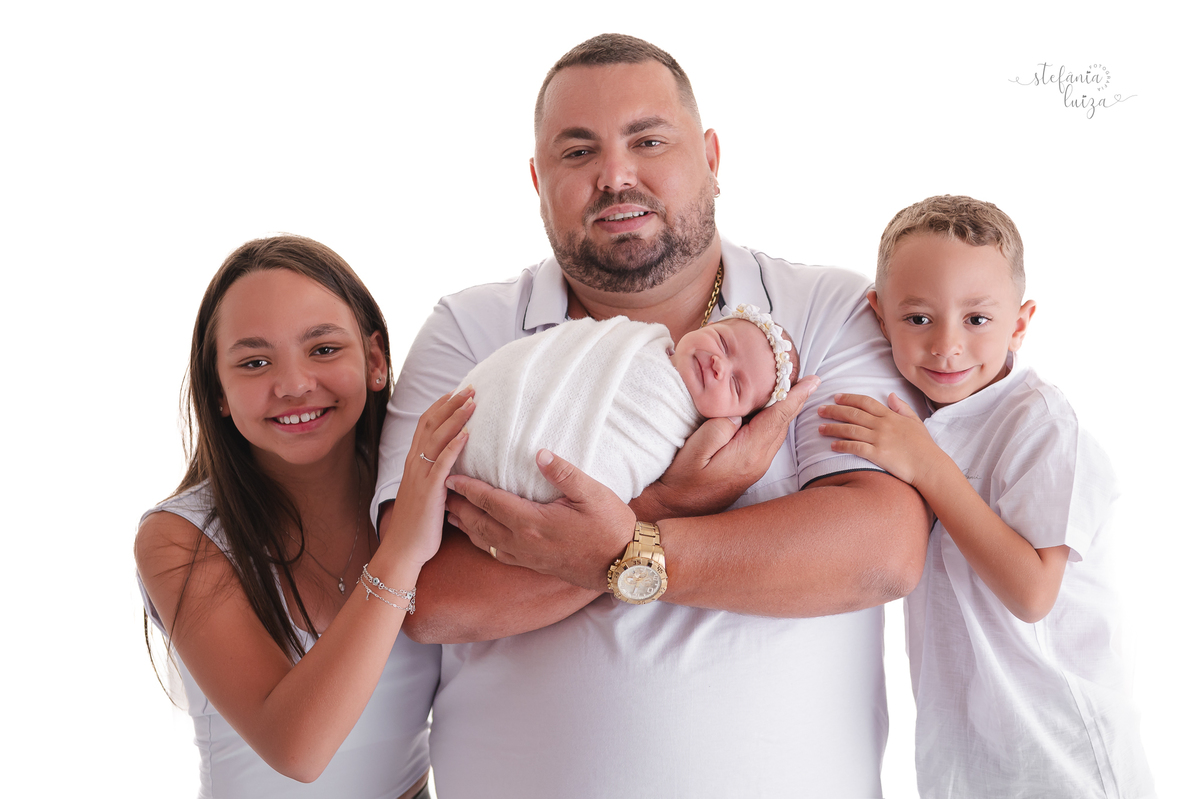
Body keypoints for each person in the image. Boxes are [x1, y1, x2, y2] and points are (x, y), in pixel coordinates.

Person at [374, 35, 929, 797]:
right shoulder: (471, 332)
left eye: (648, 141)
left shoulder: (823, 314)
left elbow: (882, 549)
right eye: (578, 152)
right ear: (537, 180)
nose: (615, 175)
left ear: (711, 156)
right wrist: (669, 504)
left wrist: (628, 548)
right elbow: (428, 598)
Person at [819, 195, 1155, 797]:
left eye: (976, 320)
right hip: (967, 760)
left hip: (1062, 756)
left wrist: (928, 466)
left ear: (1019, 324)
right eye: (918, 319)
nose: (946, 345)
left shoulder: (1040, 425)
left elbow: (1032, 593)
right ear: (879, 316)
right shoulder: (920, 415)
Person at [135, 236, 471, 798]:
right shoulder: (177, 539)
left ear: (375, 361)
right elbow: (297, 750)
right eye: (254, 362)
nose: (293, 385)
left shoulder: (416, 492)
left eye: (323, 349)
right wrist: (401, 550)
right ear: (218, 392)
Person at [452, 304, 807, 505]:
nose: (718, 365)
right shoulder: (634, 338)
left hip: (535, 469)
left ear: (736, 419)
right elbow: (562, 353)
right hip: (480, 415)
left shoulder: (678, 435)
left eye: (735, 384)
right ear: (707, 324)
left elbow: (620, 462)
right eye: (723, 343)